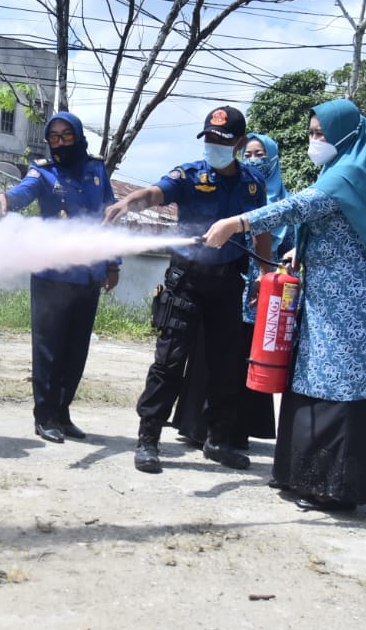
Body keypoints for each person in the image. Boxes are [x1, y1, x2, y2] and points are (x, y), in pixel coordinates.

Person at [202, 99, 366, 511]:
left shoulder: (347, 174)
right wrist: (302, 249)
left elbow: (298, 207)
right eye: (312, 133)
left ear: (346, 136)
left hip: (353, 310)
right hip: (328, 303)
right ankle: (301, 475)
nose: (315, 141)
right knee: (315, 382)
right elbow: (338, 227)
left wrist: (236, 223)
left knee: (340, 389)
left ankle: (333, 489)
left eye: (322, 134)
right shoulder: (339, 170)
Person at [103, 106, 272, 473]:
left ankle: (217, 440)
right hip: (186, 281)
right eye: (209, 138)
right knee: (170, 362)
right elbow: (156, 192)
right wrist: (128, 201)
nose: (214, 145)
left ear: (240, 144)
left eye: (222, 140)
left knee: (225, 365)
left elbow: (261, 231)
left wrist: (262, 272)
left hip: (228, 281)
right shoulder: (190, 174)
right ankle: (148, 439)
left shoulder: (253, 183)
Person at [0, 112, 119, 443]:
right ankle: (44, 416)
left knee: (76, 351)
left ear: (77, 136)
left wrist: (113, 264)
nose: (60, 142)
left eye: (66, 135)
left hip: (89, 274)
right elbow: (23, 191)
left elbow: (110, 217)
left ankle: (63, 413)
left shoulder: (96, 169)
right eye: (54, 137)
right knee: (49, 349)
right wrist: (5, 199)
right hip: (52, 275)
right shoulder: (44, 172)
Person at [169, 133, 287, 448]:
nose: (252, 160)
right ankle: (196, 425)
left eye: (260, 154)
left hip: (261, 298)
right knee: (209, 354)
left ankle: (234, 431)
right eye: (247, 154)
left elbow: (286, 246)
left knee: (242, 362)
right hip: (227, 286)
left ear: (272, 158)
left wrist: (270, 272)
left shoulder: (285, 203)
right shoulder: (235, 189)